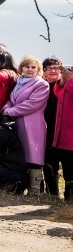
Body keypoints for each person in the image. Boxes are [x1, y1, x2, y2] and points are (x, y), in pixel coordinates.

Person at [2, 56, 49, 195]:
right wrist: (6, 107)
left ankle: (35, 190)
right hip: (18, 122)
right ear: (21, 68)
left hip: (32, 124)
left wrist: (10, 111)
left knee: (34, 156)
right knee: (21, 155)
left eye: (33, 67)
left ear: (38, 70)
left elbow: (32, 104)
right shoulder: (19, 83)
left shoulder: (41, 84)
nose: (30, 69)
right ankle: (20, 187)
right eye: (27, 66)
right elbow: (11, 99)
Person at [51, 64, 73, 200]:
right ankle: (68, 196)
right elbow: (59, 94)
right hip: (65, 132)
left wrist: (70, 80)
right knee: (67, 167)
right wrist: (62, 82)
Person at [42, 56, 63, 196]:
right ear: (44, 70)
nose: (54, 70)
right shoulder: (41, 87)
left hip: (62, 129)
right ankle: (52, 193)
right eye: (50, 68)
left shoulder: (64, 86)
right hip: (47, 129)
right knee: (49, 161)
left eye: (57, 67)